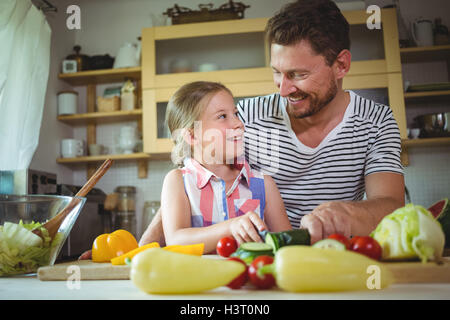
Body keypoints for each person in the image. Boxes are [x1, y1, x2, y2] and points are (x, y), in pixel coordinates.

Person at [140, 0, 405, 246]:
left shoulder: (376, 122)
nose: (284, 90)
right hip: (266, 261)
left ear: (341, 65)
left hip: (334, 256)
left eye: (298, 74)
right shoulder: (248, 116)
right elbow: (197, 174)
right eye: (277, 73)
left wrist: (344, 213)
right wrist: (146, 245)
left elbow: (391, 205)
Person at [154, 81, 291, 253]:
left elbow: (287, 246)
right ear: (192, 135)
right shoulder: (178, 182)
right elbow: (176, 241)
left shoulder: (264, 184)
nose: (239, 123)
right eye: (222, 116)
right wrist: (230, 227)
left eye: (235, 113)